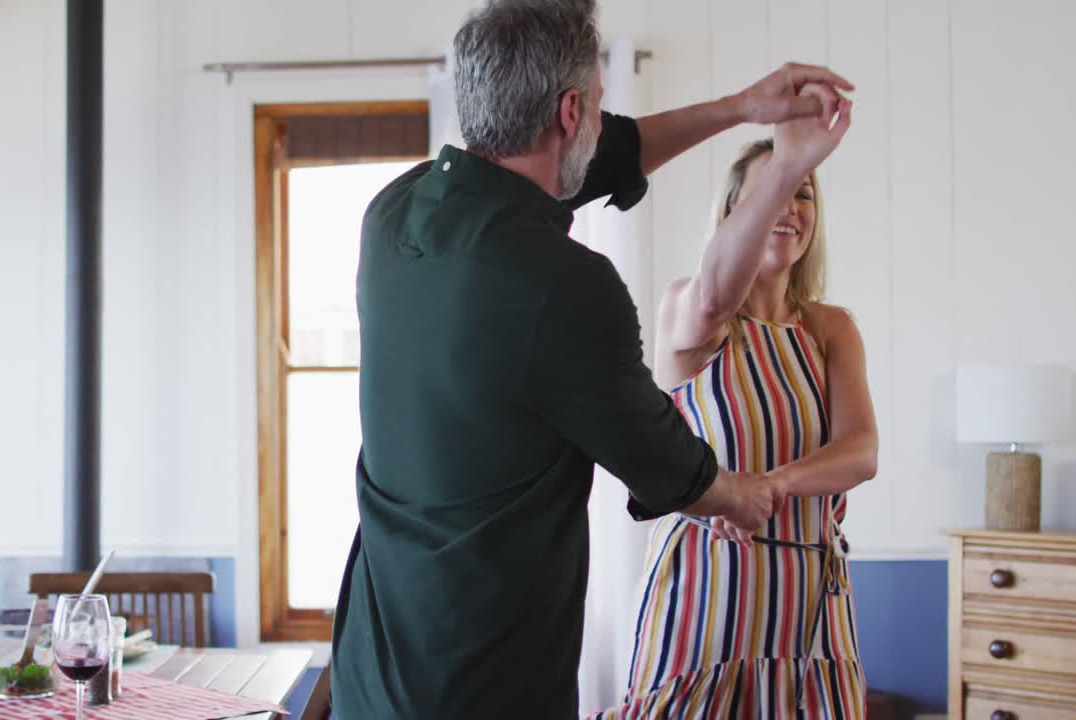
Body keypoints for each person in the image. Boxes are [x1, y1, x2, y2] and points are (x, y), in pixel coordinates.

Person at [331, 1, 855, 717]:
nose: (606, 126)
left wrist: (741, 107)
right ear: (571, 110)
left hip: (373, 666)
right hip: (484, 678)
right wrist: (742, 495)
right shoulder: (563, 284)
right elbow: (661, 456)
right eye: (601, 108)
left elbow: (595, 157)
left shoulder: (395, 212)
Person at [589, 107, 874, 718]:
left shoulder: (830, 329)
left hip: (810, 608)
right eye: (770, 190)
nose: (790, 207)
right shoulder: (691, 313)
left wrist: (770, 486)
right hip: (704, 598)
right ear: (732, 216)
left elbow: (861, 451)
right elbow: (717, 294)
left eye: (802, 191)